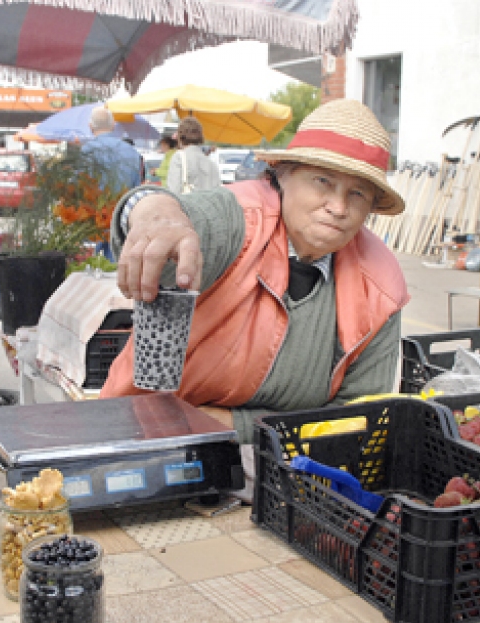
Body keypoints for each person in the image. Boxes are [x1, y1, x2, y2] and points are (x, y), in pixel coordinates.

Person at [101, 99, 409, 445]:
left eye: (357, 193)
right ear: (284, 174)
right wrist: (156, 214)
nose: (338, 207)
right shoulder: (241, 218)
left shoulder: (380, 284)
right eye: (323, 181)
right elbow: (171, 212)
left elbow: (356, 419)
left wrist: (235, 424)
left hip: (291, 463)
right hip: (153, 439)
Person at [80, 107, 143, 192]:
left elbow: (77, 187)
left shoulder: (84, 152)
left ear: (90, 126)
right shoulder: (133, 152)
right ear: (113, 125)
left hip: (93, 204)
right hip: (126, 203)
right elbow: (138, 187)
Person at [166, 117, 220, 195]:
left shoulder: (179, 158)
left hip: (186, 205)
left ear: (180, 137)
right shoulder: (211, 164)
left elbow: (174, 191)